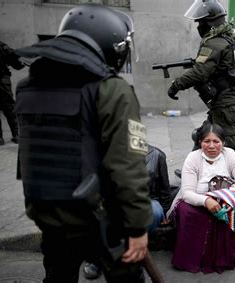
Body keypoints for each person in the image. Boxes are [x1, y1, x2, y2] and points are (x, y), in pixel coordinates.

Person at [14, 4, 153, 282]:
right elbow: (127, 167)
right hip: (100, 216)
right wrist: (138, 228)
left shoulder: (28, 86)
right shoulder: (112, 89)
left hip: (48, 212)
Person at [166, 0, 235, 172]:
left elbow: (200, 72)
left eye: (200, 22)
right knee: (203, 133)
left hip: (227, 103)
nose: (198, 25)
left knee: (231, 142)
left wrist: (176, 85)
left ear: (210, 22)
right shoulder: (228, 37)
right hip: (229, 99)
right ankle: (192, 170)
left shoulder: (215, 42)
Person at [166, 123, 235, 273]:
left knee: (234, 212)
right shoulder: (193, 158)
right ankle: (192, 259)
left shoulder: (230, 154)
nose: (212, 146)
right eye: (206, 141)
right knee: (188, 212)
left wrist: (227, 199)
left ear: (223, 143)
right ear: (200, 142)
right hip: (196, 202)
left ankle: (222, 258)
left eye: (216, 141)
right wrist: (206, 201)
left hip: (224, 201)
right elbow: (188, 193)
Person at [83, 144, 174, 279]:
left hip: (149, 201)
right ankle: (102, 256)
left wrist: (166, 212)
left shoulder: (157, 155)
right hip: (118, 201)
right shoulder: (108, 155)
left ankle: (127, 250)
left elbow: (164, 190)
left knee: (151, 211)